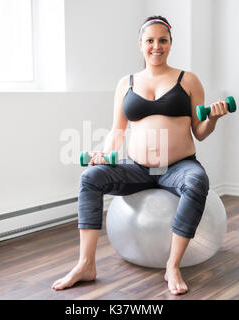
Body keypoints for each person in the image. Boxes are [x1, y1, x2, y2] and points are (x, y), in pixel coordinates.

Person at [52, 15, 228, 295]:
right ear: (140, 44)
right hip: (137, 167)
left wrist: (214, 119)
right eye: (150, 41)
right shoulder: (126, 83)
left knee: (197, 182)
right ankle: (86, 264)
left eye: (163, 40)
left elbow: (200, 131)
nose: (156, 46)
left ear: (171, 43)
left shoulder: (189, 80)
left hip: (178, 166)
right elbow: (117, 130)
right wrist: (105, 154)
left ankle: (172, 266)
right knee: (91, 178)